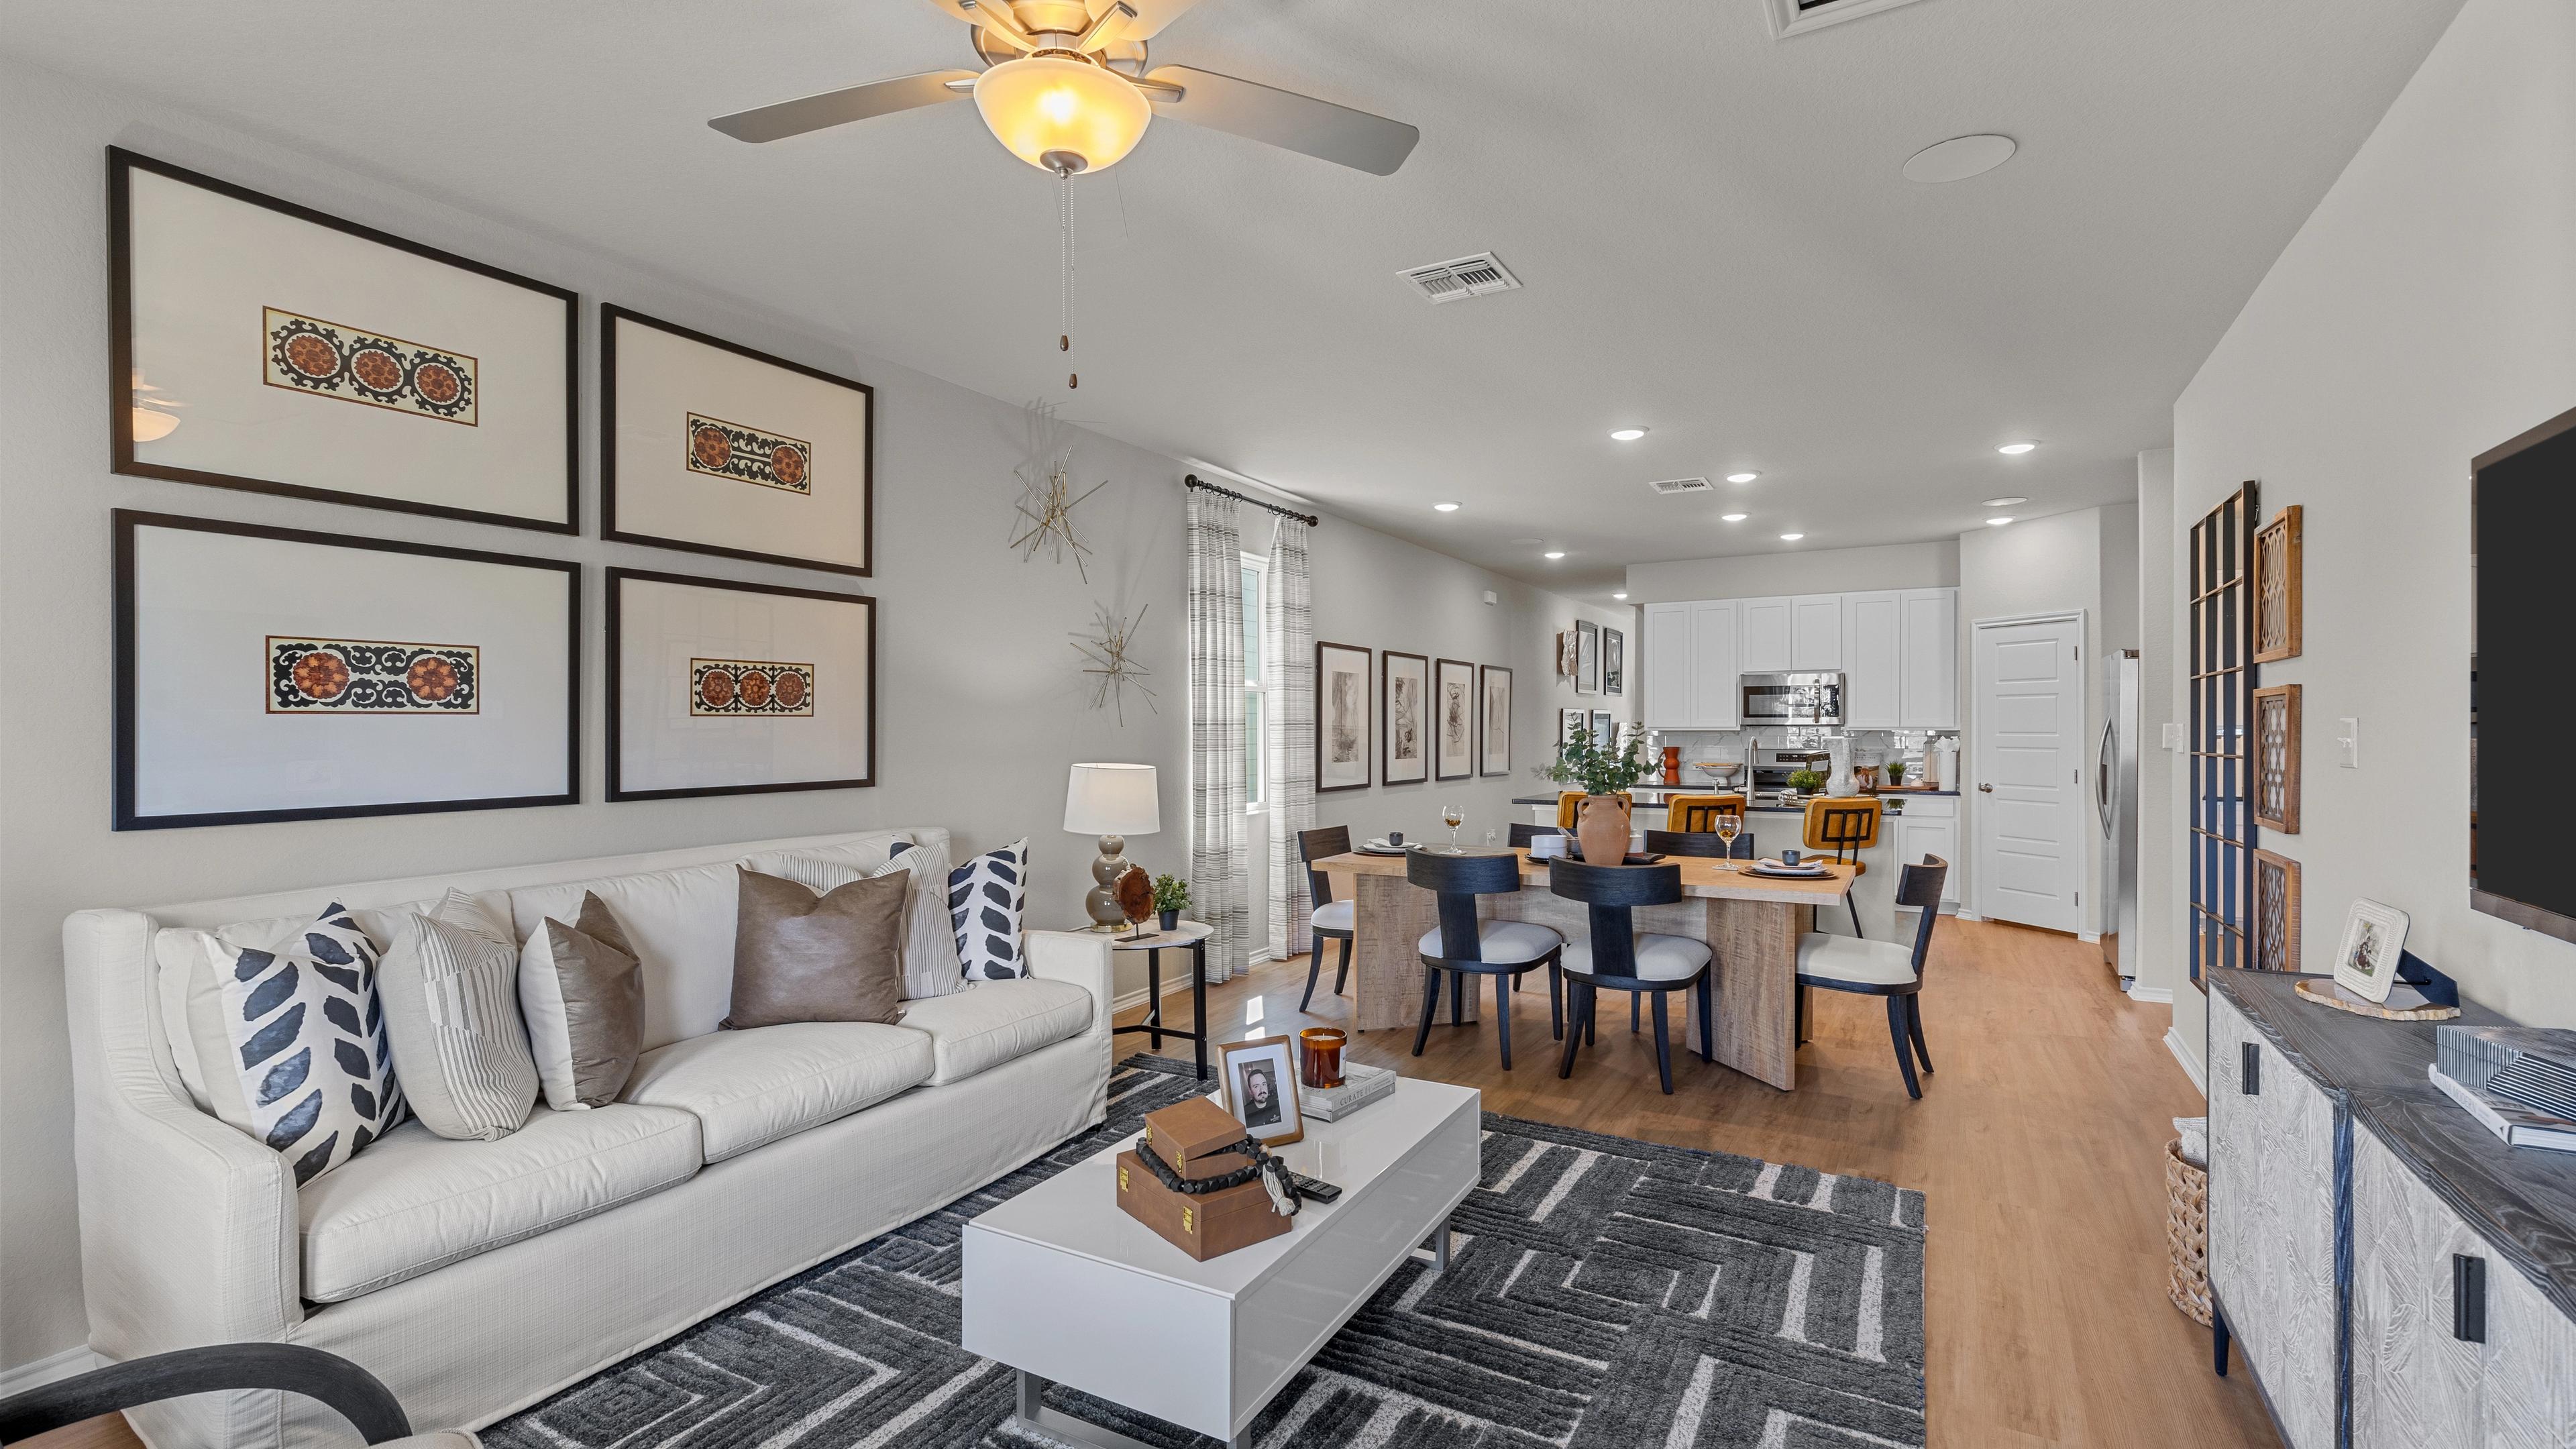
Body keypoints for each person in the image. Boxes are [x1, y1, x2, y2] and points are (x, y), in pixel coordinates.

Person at [1240, 1062, 1282, 1129]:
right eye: (1256, 1086)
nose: (1262, 1090)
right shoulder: (1244, 1114)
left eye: (1264, 1084)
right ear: (1250, 1091)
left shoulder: (1279, 1106)